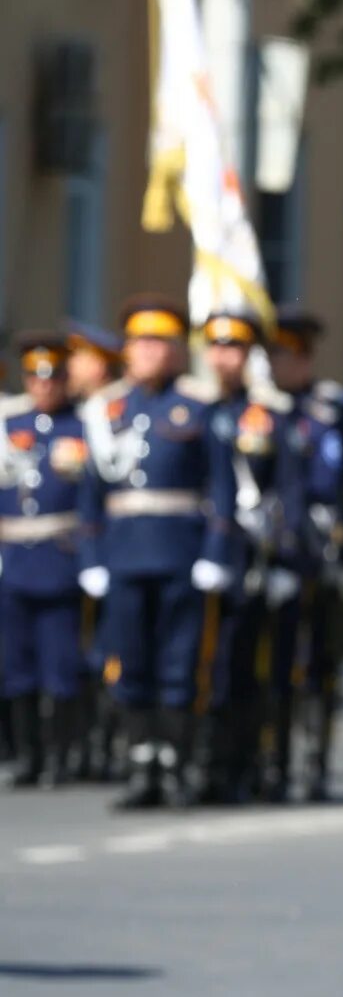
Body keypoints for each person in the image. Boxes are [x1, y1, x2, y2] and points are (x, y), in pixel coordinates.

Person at [78, 295, 233, 810]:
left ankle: (176, 764)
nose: (149, 352)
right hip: (123, 556)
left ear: (174, 351)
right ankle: (142, 767)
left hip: (180, 555)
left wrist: (215, 552)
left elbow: (221, 489)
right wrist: (91, 560)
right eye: (141, 342)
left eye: (160, 343)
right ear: (127, 351)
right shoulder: (107, 411)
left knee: (179, 664)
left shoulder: (196, 406)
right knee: (130, 663)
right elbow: (90, 498)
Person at [194, 309, 303, 803]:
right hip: (190, 559)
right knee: (195, 669)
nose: (223, 357)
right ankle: (196, 765)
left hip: (246, 560)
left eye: (234, 348)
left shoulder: (265, 417)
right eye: (216, 347)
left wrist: (283, 559)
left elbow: (286, 493)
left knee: (245, 669)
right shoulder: (190, 410)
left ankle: (244, 767)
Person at [268, 311, 343, 802]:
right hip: (276, 554)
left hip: (322, 548)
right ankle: (275, 764)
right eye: (278, 355)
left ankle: (315, 766)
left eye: (293, 355)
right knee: (276, 663)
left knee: (320, 665)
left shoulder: (333, 409)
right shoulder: (260, 409)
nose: (285, 364)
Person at [1, 335, 92, 788]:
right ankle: (26, 756)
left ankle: (61, 755)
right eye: (36, 377)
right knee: (16, 666)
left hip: (61, 557)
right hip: (13, 558)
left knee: (60, 666)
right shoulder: (8, 424)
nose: (44, 385)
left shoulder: (80, 426)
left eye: (53, 376)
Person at [67, 322, 125, 781]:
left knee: (112, 650)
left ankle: (110, 742)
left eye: (80, 357)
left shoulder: (116, 413)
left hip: (113, 551)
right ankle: (82, 741)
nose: (71, 367)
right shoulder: (78, 414)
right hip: (71, 555)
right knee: (80, 653)